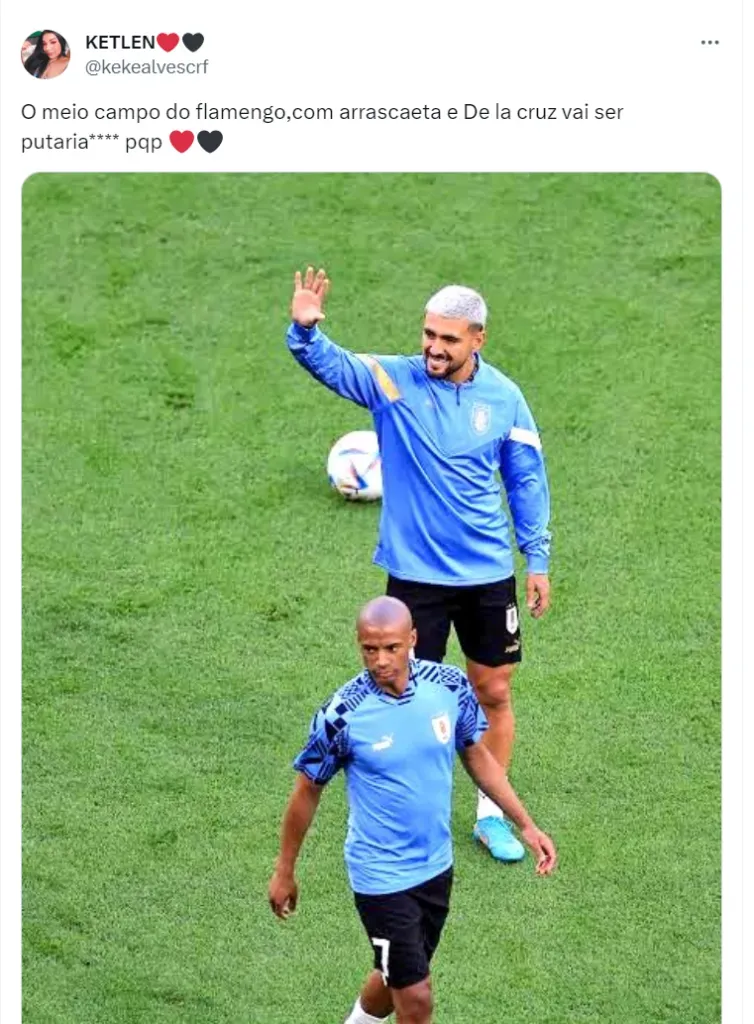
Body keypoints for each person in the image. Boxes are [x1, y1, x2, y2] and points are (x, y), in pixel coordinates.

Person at [286, 266, 552, 862]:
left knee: (493, 690)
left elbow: (526, 480)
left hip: (487, 573)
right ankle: (411, 808)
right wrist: (305, 331)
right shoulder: (394, 380)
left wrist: (536, 558)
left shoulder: (505, 398)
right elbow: (334, 365)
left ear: (478, 339)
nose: (434, 347)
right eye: (429, 334)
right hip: (416, 578)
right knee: (404, 695)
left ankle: (491, 816)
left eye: (448, 339)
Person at [268, 596, 556, 1024]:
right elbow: (307, 791)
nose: (381, 660)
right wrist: (284, 870)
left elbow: (476, 755)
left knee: (395, 979)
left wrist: (526, 824)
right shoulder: (342, 715)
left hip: (436, 865)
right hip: (380, 874)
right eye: (369, 649)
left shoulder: (449, 687)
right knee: (417, 998)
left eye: (391, 648)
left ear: (413, 640)